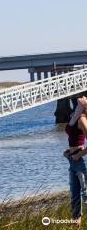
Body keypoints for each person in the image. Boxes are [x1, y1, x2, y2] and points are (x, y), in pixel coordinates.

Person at [64, 96, 87, 228]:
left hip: (77, 162)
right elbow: (76, 140)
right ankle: (76, 227)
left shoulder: (82, 119)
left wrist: (78, 154)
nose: (80, 98)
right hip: (72, 162)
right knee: (75, 200)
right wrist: (70, 151)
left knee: (86, 196)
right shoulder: (76, 116)